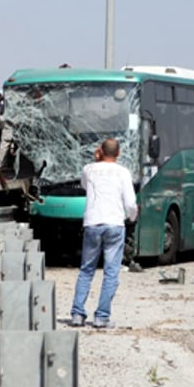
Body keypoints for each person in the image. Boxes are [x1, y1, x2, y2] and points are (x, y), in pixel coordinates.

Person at [70, 138, 138, 328]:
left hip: (92, 223)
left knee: (86, 269)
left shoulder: (89, 169)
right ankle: (101, 317)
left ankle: (77, 313)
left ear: (100, 151)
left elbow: (85, 185)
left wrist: (96, 159)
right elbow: (131, 203)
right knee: (111, 272)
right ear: (119, 153)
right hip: (114, 224)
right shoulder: (123, 172)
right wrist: (132, 217)